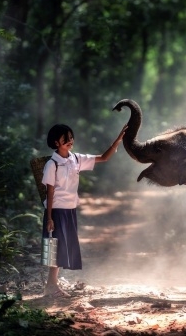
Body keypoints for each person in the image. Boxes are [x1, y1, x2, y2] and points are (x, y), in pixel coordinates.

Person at [41, 123, 128, 298]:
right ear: (56, 142)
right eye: (66, 139)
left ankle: (52, 285)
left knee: (63, 246)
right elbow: (49, 191)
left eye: (71, 137)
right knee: (54, 246)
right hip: (56, 210)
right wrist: (49, 217)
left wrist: (118, 140)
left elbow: (103, 157)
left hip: (70, 210)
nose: (70, 141)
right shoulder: (52, 164)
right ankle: (51, 285)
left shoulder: (76, 159)